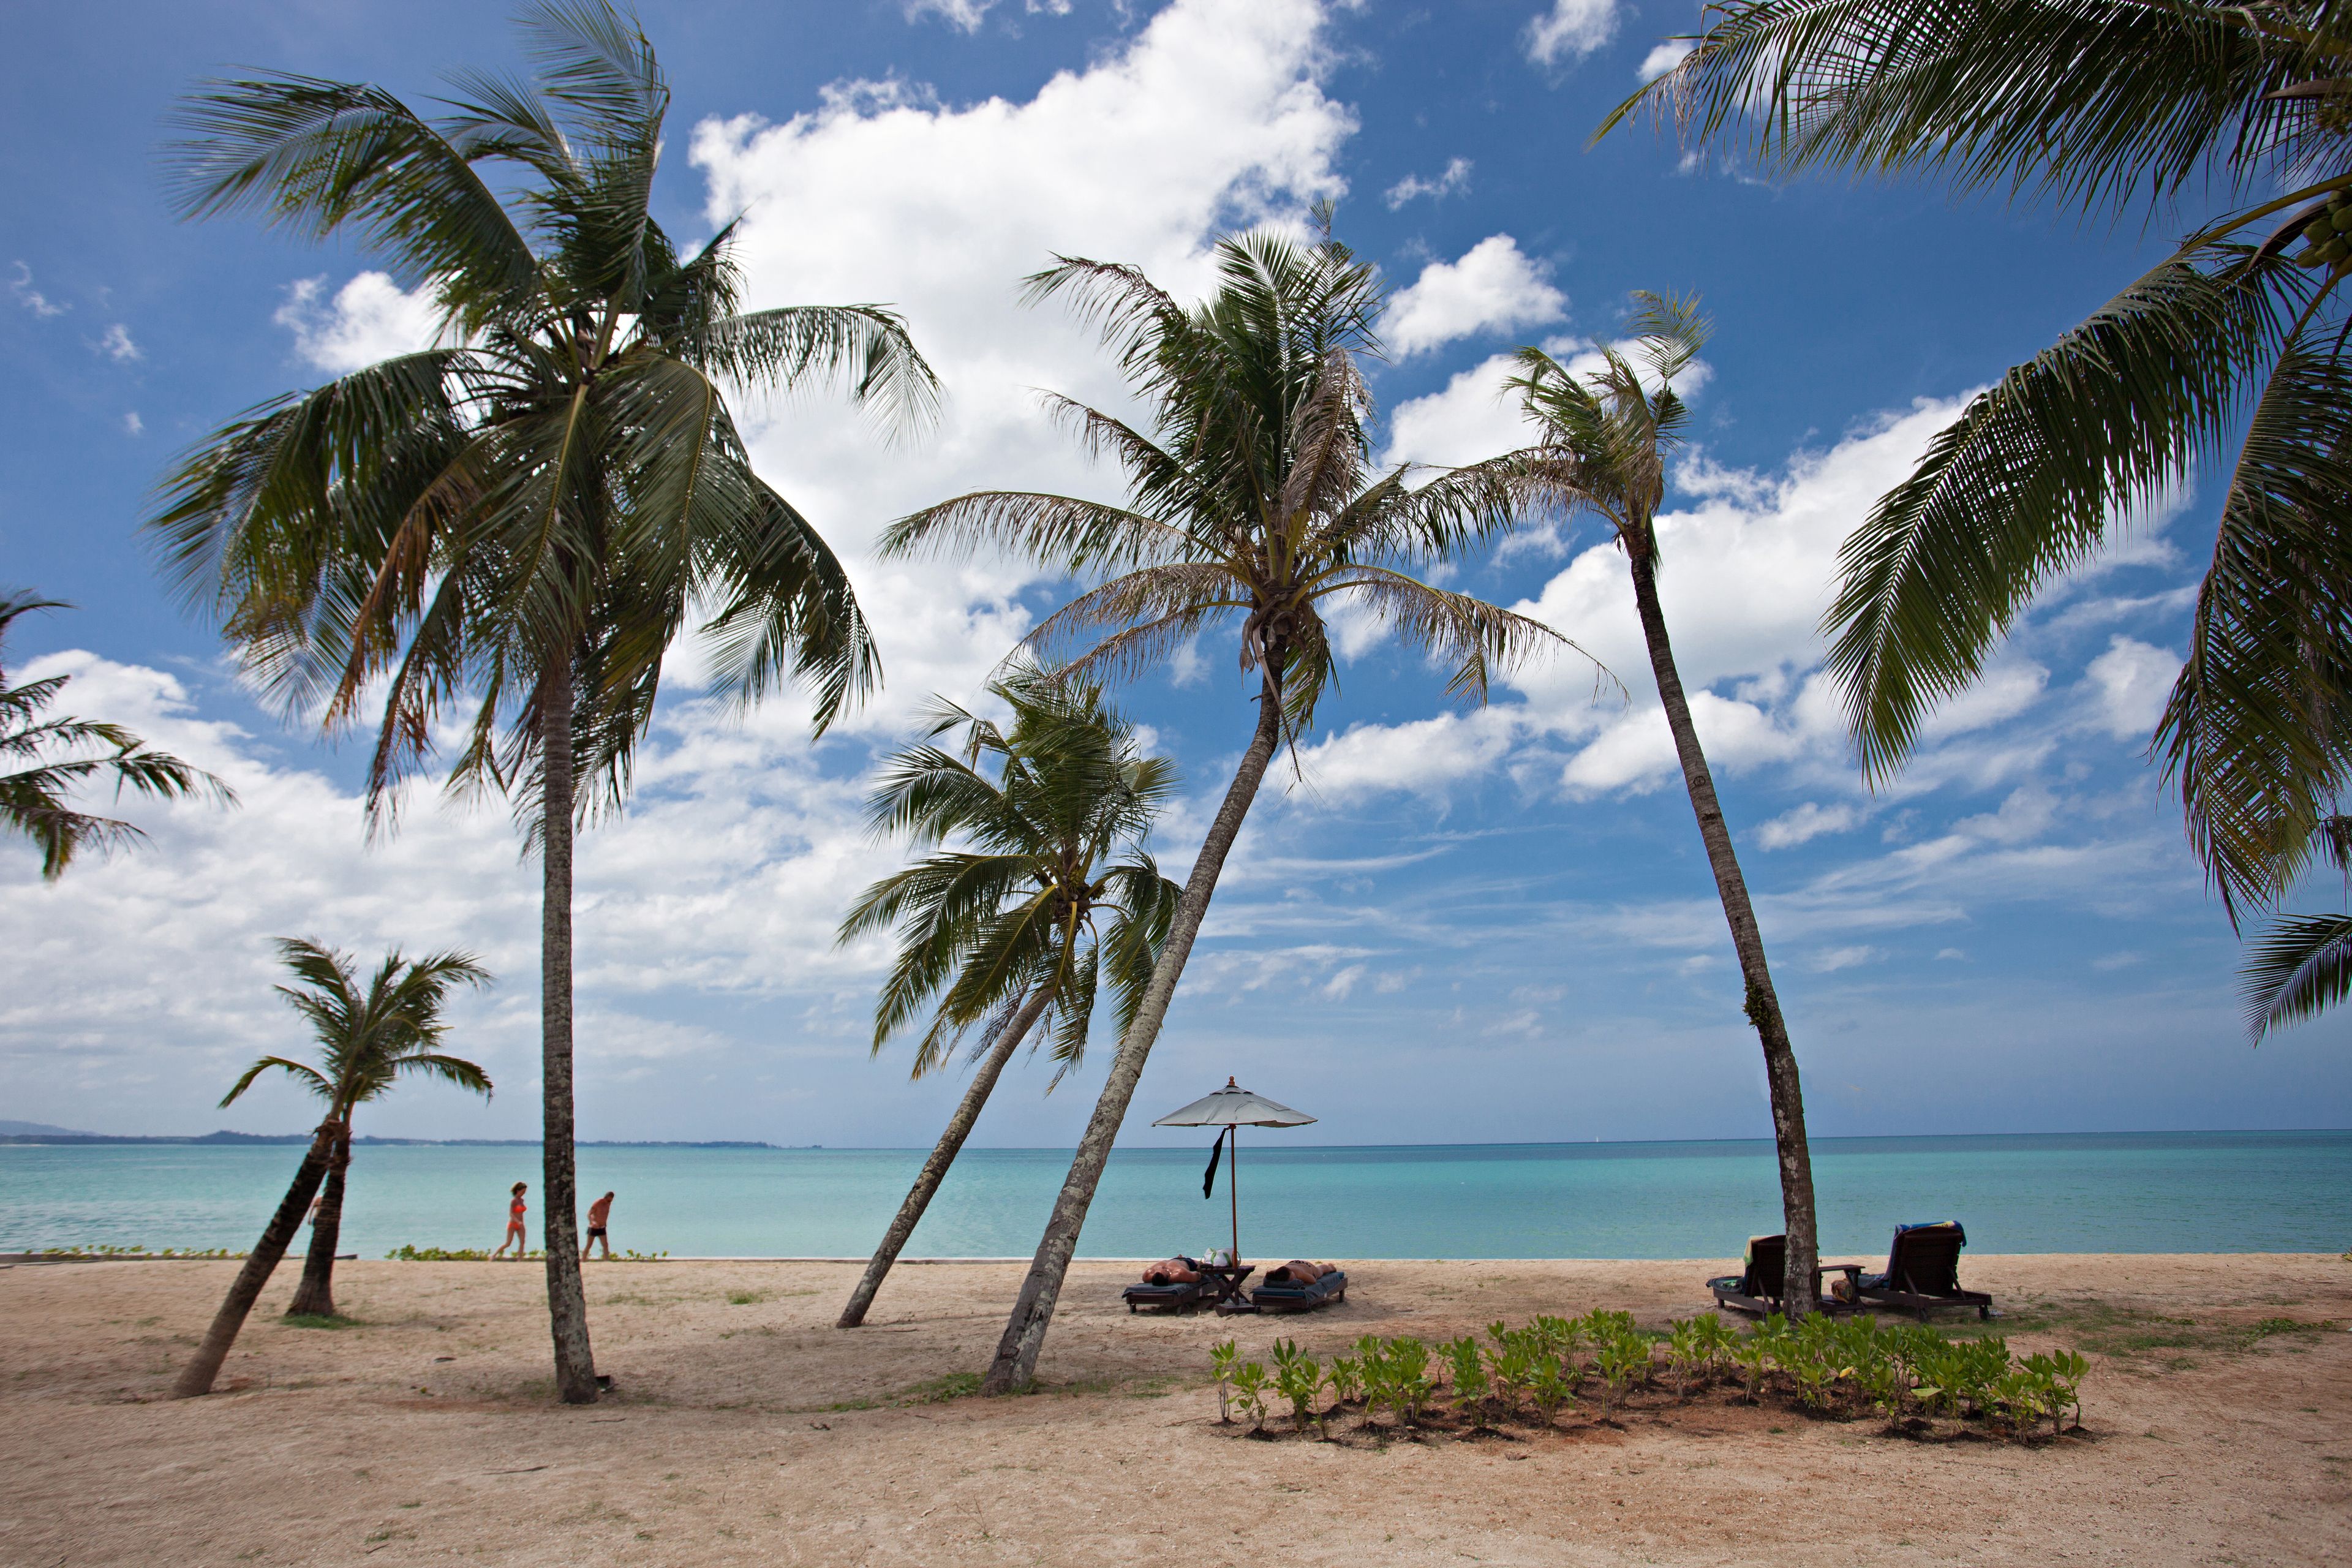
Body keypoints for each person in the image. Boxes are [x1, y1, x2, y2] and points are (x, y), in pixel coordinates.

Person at [492, 1181, 527, 1259]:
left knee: (522, 1242)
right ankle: (494, 1255)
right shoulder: (513, 1201)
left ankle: (520, 1259)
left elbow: (521, 1213)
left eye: (525, 1192)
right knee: (508, 1243)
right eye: (523, 1191)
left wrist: (520, 1223)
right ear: (518, 1191)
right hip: (513, 1224)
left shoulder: (522, 1201)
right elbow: (511, 1213)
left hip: (521, 1224)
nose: (524, 1193)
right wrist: (517, 1221)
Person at [585, 1191, 615, 1261]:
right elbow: (589, 1214)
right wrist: (593, 1222)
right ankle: (583, 1260)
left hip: (602, 1228)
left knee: (605, 1245)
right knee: (589, 1245)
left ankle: (607, 1261)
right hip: (594, 1227)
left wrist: (605, 1223)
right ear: (606, 1197)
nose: (609, 1202)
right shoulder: (598, 1202)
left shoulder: (609, 1204)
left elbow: (604, 1215)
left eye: (611, 1201)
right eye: (608, 1200)